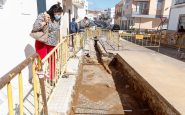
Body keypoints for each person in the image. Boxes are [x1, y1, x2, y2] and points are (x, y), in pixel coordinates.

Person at [31, 3, 63, 80]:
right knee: (41, 61)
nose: (59, 15)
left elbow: (57, 30)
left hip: (52, 44)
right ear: (53, 12)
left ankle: (52, 78)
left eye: (60, 14)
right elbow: (35, 27)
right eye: (58, 14)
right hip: (42, 43)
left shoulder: (57, 19)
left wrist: (59, 40)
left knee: (52, 61)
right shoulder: (43, 15)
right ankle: (39, 81)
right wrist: (44, 22)